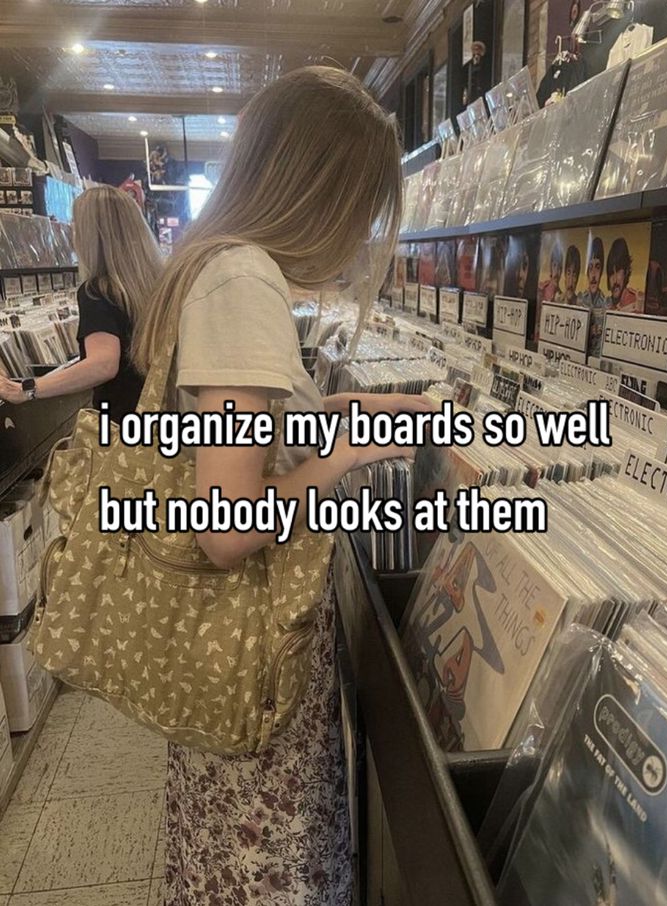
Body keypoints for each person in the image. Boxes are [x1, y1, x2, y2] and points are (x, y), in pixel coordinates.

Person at [133, 66, 433, 906]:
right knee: (272, 877)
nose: (358, 237)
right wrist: (344, 457)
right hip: (251, 660)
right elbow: (226, 528)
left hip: (225, 662)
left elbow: (244, 434)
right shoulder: (244, 284)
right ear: (322, 193)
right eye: (362, 209)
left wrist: (344, 404)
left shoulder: (217, 267)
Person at [0, 186, 162, 422]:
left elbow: (103, 364)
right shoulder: (158, 285)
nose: (71, 231)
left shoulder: (98, 292)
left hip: (121, 428)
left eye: (75, 223)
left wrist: (26, 389)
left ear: (91, 235)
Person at [578, 236, 608, 357]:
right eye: (590, 268)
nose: (594, 275)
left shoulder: (606, 302)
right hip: (579, 357)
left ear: (601, 272)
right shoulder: (580, 299)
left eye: (597, 267)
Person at [607, 237, 642, 312]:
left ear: (626, 272)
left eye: (619, 271)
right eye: (611, 273)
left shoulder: (635, 301)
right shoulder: (608, 304)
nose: (615, 280)